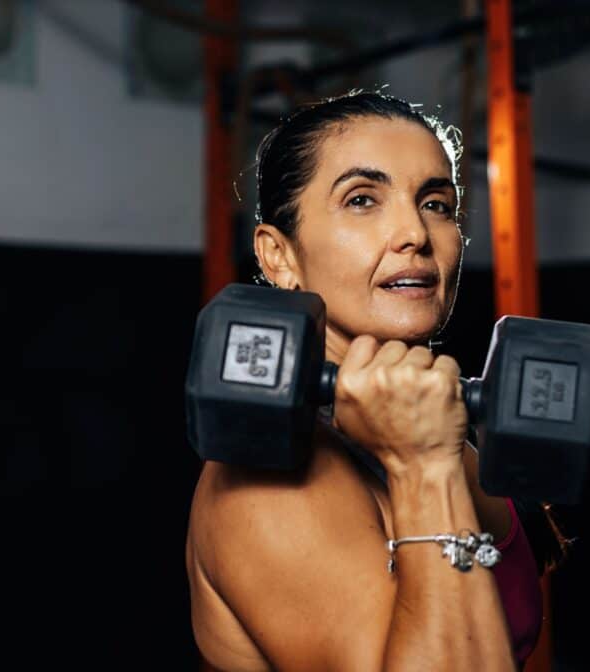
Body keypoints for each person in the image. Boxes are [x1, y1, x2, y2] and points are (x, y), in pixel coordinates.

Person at [186, 91, 545, 671]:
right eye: (362, 199)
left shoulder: (446, 435)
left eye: (435, 204)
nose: (414, 233)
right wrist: (422, 469)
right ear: (279, 256)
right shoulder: (266, 484)